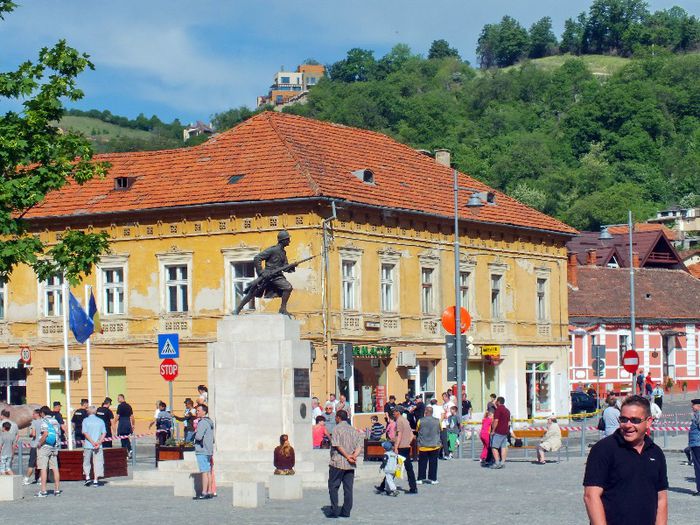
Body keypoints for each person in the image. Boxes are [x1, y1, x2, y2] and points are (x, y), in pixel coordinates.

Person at [583, 396, 668, 525]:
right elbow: (591, 496)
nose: (628, 425)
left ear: (649, 421)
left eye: (634, 420)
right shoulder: (603, 449)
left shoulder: (656, 452)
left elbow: (661, 498)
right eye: (623, 419)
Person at [327, 409, 361, 518]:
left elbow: (337, 445)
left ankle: (335, 510)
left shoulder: (336, 429)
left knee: (333, 486)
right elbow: (359, 446)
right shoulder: (353, 430)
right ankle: (346, 511)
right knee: (348, 488)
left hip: (338, 462)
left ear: (338, 417)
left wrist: (347, 456)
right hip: (350, 464)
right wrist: (354, 456)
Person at [36, 405, 61, 497]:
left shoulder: (43, 421)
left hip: (45, 447)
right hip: (54, 446)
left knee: (43, 468)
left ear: (42, 413)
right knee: (55, 468)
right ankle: (57, 490)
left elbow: (45, 434)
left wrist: (39, 443)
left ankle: (43, 491)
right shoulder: (55, 421)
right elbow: (58, 434)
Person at [193, 403, 215, 499]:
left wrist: (195, 434)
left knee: (204, 471)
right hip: (208, 449)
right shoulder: (210, 422)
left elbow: (198, 436)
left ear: (204, 411)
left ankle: (204, 492)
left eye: (198, 410)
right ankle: (210, 491)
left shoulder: (202, 422)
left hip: (202, 449)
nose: (197, 412)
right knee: (208, 471)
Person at [81, 406, 106, 486]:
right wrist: (98, 442)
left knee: (87, 462)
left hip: (88, 444)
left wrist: (92, 442)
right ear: (95, 412)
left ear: (88, 412)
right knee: (98, 462)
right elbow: (104, 433)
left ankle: (87, 477)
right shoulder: (100, 421)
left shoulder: (85, 420)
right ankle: (96, 479)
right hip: (98, 446)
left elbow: (85, 432)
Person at [416, 405, 441, 484]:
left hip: (423, 445)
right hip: (434, 445)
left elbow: (417, 430)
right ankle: (433, 479)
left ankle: (420, 478)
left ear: (425, 412)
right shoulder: (438, 421)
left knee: (422, 463)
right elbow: (440, 429)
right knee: (433, 462)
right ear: (432, 413)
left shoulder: (420, 420)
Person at [490, 396, 510, 469]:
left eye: (496, 401)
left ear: (498, 402)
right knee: (503, 447)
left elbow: (496, 421)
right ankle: (502, 462)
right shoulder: (507, 410)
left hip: (498, 431)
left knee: (494, 447)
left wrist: (493, 430)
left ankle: (497, 462)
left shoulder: (498, 410)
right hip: (505, 431)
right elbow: (508, 422)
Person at [24, 408, 43, 484]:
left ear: (37, 414)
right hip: (42, 445)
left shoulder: (34, 422)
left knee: (31, 463)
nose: (32, 415)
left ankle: (26, 479)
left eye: (33, 414)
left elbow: (33, 434)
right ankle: (41, 479)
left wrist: (30, 434)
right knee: (41, 463)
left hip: (34, 445)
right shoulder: (43, 422)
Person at [114, 394, 134, 458]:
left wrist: (113, 422)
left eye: (118, 398)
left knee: (122, 438)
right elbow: (132, 417)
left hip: (122, 423)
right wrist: (133, 425)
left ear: (122, 398)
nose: (117, 399)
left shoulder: (120, 406)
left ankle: (124, 452)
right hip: (128, 423)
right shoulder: (129, 406)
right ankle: (129, 449)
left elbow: (118, 416)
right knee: (126, 437)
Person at [688, 398, 700, 496]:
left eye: (693, 405)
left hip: (697, 444)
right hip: (695, 443)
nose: (692, 407)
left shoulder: (699, 415)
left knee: (698, 467)